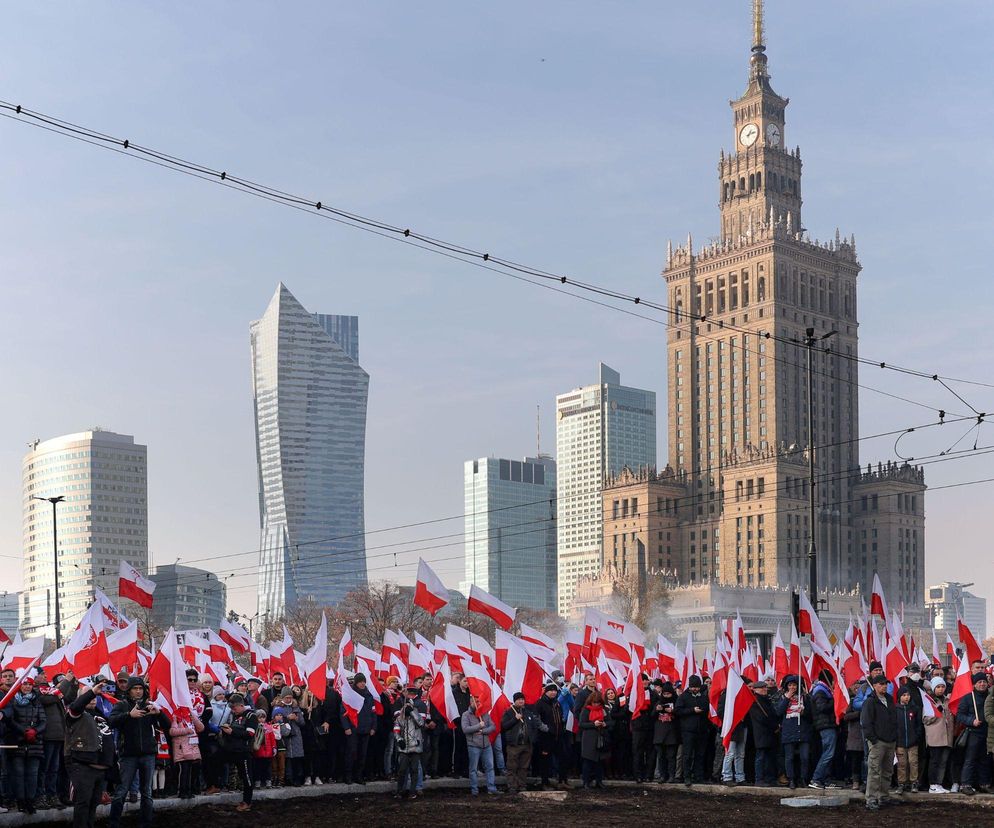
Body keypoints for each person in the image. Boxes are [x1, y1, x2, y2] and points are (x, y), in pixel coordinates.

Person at [107, 677, 169, 828]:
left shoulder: (149, 706)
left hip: (148, 753)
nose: (138, 691)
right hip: (128, 755)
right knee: (121, 791)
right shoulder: (121, 705)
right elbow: (111, 722)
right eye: (135, 688)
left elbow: (167, 725)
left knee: (147, 792)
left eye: (140, 688)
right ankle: (113, 823)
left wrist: (159, 713)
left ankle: (146, 823)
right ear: (129, 690)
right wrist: (129, 715)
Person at [64, 678, 118, 828]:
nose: (93, 698)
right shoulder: (75, 715)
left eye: (95, 695)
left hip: (101, 767)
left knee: (94, 803)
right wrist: (92, 692)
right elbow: (76, 707)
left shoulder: (101, 715)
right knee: (83, 803)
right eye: (88, 695)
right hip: (82, 766)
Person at [3, 674, 46, 814]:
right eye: (25, 684)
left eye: (30, 684)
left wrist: (34, 731)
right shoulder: (12, 701)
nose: (27, 687)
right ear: (19, 685)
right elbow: (10, 720)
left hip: (35, 743)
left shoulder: (37, 702)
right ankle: (20, 801)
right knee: (19, 774)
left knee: (32, 774)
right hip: (18, 742)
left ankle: (30, 801)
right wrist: (24, 732)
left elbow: (44, 721)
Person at [860, 673, 899, 811]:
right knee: (875, 771)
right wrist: (873, 740)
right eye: (881, 684)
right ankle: (871, 799)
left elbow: (894, 719)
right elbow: (866, 723)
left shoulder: (889, 699)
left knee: (887, 771)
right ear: (875, 685)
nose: (884, 686)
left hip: (890, 740)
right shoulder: (870, 701)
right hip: (878, 742)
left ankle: (883, 797)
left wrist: (894, 737)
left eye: (885, 684)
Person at [218, 693, 257, 812]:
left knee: (246, 777)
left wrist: (232, 732)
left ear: (241, 705)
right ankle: (215, 786)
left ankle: (247, 801)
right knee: (216, 759)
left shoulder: (251, 715)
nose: (233, 711)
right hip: (233, 750)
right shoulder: (236, 716)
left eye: (234, 708)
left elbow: (249, 734)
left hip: (244, 751)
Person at [956, 672, 990, 795]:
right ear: (974, 685)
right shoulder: (968, 698)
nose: (982, 684)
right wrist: (971, 721)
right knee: (970, 759)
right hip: (973, 733)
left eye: (984, 682)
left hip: (988, 733)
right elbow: (960, 715)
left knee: (985, 760)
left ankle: (984, 783)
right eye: (979, 682)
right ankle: (965, 784)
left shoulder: (990, 696)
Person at [340, 674, 377, 786]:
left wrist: (373, 727)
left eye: (363, 681)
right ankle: (348, 776)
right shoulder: (350, 695)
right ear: (356, 683)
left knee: (362, 754)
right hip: (353, 729)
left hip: (365, 729)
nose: (362, 684)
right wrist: (346, 727)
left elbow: (373, 713)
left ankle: (359, 776)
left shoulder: (369, 696)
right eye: (360, 681)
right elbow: (343, 713)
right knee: (352, 753)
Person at [777, 675, 812, 789]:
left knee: (805, 757)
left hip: (803, 730)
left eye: (794, 685)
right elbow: (779, 712)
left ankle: (803, 778)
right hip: (789, 731)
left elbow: (811, 714)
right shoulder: (783, 697)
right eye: (790, 685)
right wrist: (787, 698)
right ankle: (791, 779)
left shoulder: (805, 698)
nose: (792, 687)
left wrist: (804, 713)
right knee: (789, 757)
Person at [501, 691, 537, 794]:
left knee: (524, 767)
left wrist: (533, 739)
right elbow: (504, 726)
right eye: (519, 699)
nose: (521, 701)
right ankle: (512, 786)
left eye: (522, 699)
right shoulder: (509, 712)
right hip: (514, 745)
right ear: (514, 701)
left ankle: (522, 785)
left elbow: (533, 727)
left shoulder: (528, 712)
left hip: (527, 744)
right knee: (512, 767)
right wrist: (514, 719)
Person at [460, 695, 497, 796]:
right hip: (473, 745)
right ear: (471, 703)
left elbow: (493, 726)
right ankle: (474, 790)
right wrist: (478, 726)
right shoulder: (466, 715)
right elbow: (465, 729)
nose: (478, 704)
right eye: (475, 702)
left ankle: (491, 788)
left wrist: (483, 731)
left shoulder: (484, 714)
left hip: (486, 745)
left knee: (489, 767)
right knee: (473, 769)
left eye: (479, 702)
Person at [923, 676, 954, 793]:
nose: (941, 689)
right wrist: (936, 714)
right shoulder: (929, 701)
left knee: (943, 761)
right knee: (934, 761)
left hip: (947, 737)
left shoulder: (947, 701)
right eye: (938, 687)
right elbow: (925, 719)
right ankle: (932, 784)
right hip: (935, 737)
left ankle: (939, 783)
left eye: (942, 687)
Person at [676, 675, 708, 786]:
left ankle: (698, 776)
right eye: (693, 687)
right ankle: (687, 777)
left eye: (697, 687)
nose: (695, 689)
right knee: (687, 755)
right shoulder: (683, 697)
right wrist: (692, 710)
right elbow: (678, 711)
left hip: (701, 730)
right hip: (688, 731)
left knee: (700, 754)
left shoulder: (703, 697)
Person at [394, 685, 425, 800]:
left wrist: (412, 712)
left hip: (415, 747)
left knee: (414, 770)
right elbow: (396, 730)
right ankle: (399, 791)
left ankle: (413, 791)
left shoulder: (416, 714)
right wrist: (399, 740)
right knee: (402, 771)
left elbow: (421, 724)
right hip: (404, 748)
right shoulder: (400, 718)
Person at [809, 671, 839, 789]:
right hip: (825, 725)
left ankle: (825, 779)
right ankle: (816, 778)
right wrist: (834, 700)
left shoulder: (822, 690)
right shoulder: (820, 691)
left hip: (828, 725)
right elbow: (821, 707)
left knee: (829, 752)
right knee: (828, 753)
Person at [535, 683, 567, 789]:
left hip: (558, 735)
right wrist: (545, 728)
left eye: (555, 691)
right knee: (545, 761)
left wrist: (562, 723)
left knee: (562, 758)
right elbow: (536, 718)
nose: (553, 692)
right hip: (546, 737)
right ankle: (545, 782)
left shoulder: (556, 703)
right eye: (551, 691)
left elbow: (560, 715)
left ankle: (562, 780)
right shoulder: (540, 703)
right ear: (546, 692)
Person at [169, 709, 204, 799]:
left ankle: (189, 790)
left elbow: (201, 728)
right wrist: (186, 730)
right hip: (182, 749)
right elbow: (172, 731)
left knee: (192, 771)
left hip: (192, 748)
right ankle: (182, 791)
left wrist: (194, 718)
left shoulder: (191, 717)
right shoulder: (176, 717)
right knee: (184, 771)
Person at [894, 685, 923, 792]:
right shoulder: (895, 709)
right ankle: (901, 783)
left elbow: (918, 724)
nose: (907, 697)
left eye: (908, 695)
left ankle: (914, 782)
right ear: (899, 697)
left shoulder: (914, 709)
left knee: (913, 762)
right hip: (900, 742)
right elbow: (893, 725)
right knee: (902, 764)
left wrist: (917, 736)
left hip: (912, 742)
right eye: (904, 695)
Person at [652, 682, 680, 783]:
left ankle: (671, 775)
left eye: (668, 694)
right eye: (665, 694)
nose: (666, 696)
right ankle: (662, 776)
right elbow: (652, 716)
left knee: (671, 756)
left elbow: (680, 715)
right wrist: (656, 710)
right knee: (661, 756)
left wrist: (672, 711)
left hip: (672, 734)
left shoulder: (677, 701)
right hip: (660, 734)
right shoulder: (659, 702)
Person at [842, 680, 866, 791]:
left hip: (866, 734)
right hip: (855, 735)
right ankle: (855, 781)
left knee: (865, 760)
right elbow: (846, 717)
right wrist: (859, 714)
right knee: (856, 760)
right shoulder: (852, 702)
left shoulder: (869, 701)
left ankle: (865, 781)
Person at [252, 710, 277, 788]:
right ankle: (258, 782)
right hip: (259, 751)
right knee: (258, 768)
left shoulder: (268, 727)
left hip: (268, 751)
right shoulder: (255, 727)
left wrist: (274, 747)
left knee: (268, 768)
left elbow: (272, 739)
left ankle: (268, 781)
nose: (262, 719)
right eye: (260, 717)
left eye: (263, 717)